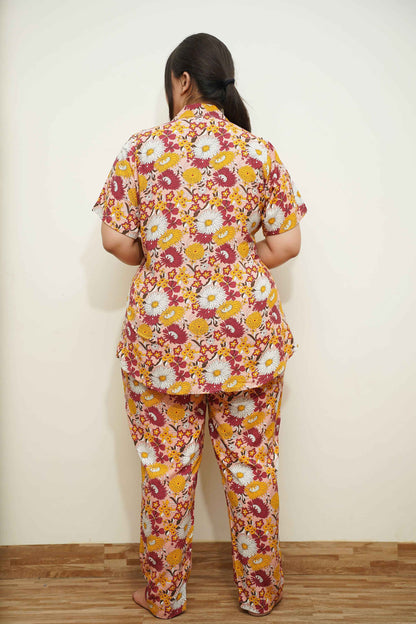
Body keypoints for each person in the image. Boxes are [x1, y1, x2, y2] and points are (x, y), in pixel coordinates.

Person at [92, 33, 307, 619]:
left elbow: (114, 239)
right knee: (252, 470)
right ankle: (261, 594)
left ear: (183, 80)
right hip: (247, 345)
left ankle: (164, 597)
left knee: (165, 473)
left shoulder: (142, 149)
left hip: (164, 346)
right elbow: (287, 243)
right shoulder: (258, 152)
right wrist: (233, 260)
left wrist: (162, 256)